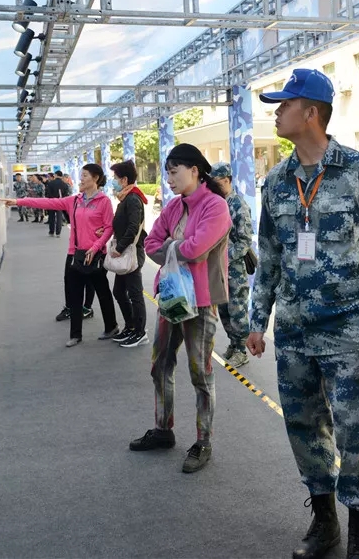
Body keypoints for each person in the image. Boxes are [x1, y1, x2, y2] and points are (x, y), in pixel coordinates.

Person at [247, 68, 359, 559]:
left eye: (285, 104)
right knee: (305, 429)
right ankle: (325, 522)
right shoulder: (276, 181)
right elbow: (268, 255)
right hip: (294, 332)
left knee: (356, 433)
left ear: (311, 112)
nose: (277, 113)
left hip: (349, 330)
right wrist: (257, 320)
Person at [129, 144, 231, 474]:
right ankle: (163, 428)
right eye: (168, 173)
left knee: (200, 373)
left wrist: (170, 246)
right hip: (171, 297)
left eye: (174, 172)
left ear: (195, 171)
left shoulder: (215, 206)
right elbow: (150, 244)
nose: (169, 179)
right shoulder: (174, 206)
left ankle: (203, 441)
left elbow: (198, 250)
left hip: (200, 301)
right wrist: (176, 248)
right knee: (159, 365)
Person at [3, 164, 119, 347]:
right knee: (74, 295)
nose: (81, 179)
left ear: (96, 178)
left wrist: (96, 247)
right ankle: (75, 335)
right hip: (75, 254)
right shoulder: (74, 200)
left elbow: (109, 227)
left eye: (85, 175)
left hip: (96, 255)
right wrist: (19, 202)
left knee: (103, 293)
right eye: (81, 175)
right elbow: (47, 203)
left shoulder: (104, 201)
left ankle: (111, 327)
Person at [209, 161, 254, 368]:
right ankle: (233, 344)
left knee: (237, 310)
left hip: (234, 268)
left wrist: (225, 257)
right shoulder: (217, 203)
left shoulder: (238, 206)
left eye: (217, 182)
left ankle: (241, 350)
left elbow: (245, 241)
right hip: (219, 268)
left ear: (227, 180)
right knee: (224, 310)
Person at [108, 160, 150, 347]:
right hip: (125, 251)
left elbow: (133, 227)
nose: (113, 181)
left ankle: (140, 332)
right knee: (119, 291)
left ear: (124, 180)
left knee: (135, 293)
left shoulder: (133, 199)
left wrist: (119, 248)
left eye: (115, 178)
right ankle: (131, 326)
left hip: (131, 252)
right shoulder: (125, 198)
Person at [44, 171, 70, 237]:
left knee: (51, 217)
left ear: (55, 175)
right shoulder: (65, 184)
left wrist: (51, 199)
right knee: (59, 218)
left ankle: (51, 232)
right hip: (60, 202)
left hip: (52, 202)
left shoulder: (50, 183)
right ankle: (58, 233)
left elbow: (48, 193)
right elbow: (66, 195)